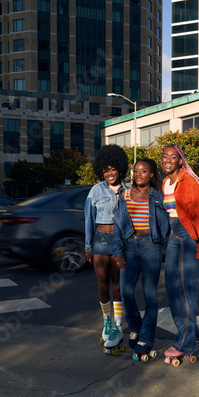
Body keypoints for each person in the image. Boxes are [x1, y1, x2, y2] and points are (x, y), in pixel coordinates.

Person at [161, 144, 199, 362]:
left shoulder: (189, 181)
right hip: (174, 235)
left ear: (180, 161)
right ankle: (187, 333)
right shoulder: (166, 182)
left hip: (189, 236)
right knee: (172, 287)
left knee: (185, 290)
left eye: (173, 157)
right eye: (165, 156)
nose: (168, 160)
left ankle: (186, 343)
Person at [111, 158, 169, 356]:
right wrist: (117, 251)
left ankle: (146, 336)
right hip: (129, 246)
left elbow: (167, 222)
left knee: (150, 295)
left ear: (151, 174)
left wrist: (163, 242)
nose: (138, 174)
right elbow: (118, 225)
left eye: (143, 171)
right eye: (136, 171)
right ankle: (135, 325)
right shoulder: (124, 195)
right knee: (126, 292)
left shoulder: (158, 197)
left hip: (151, 246)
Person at [85, 144, 129, 348]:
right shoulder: (95, 191)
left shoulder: (128, 191)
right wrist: (88, 246)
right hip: (100, 241)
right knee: (102, 284)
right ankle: (107, 322)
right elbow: (88, 219)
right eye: (105, 170)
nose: (109, 173)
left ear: (120, 169)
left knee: (118, 285)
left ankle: (118, 326)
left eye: (113, 169)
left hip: (121, 242)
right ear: (100, 171)